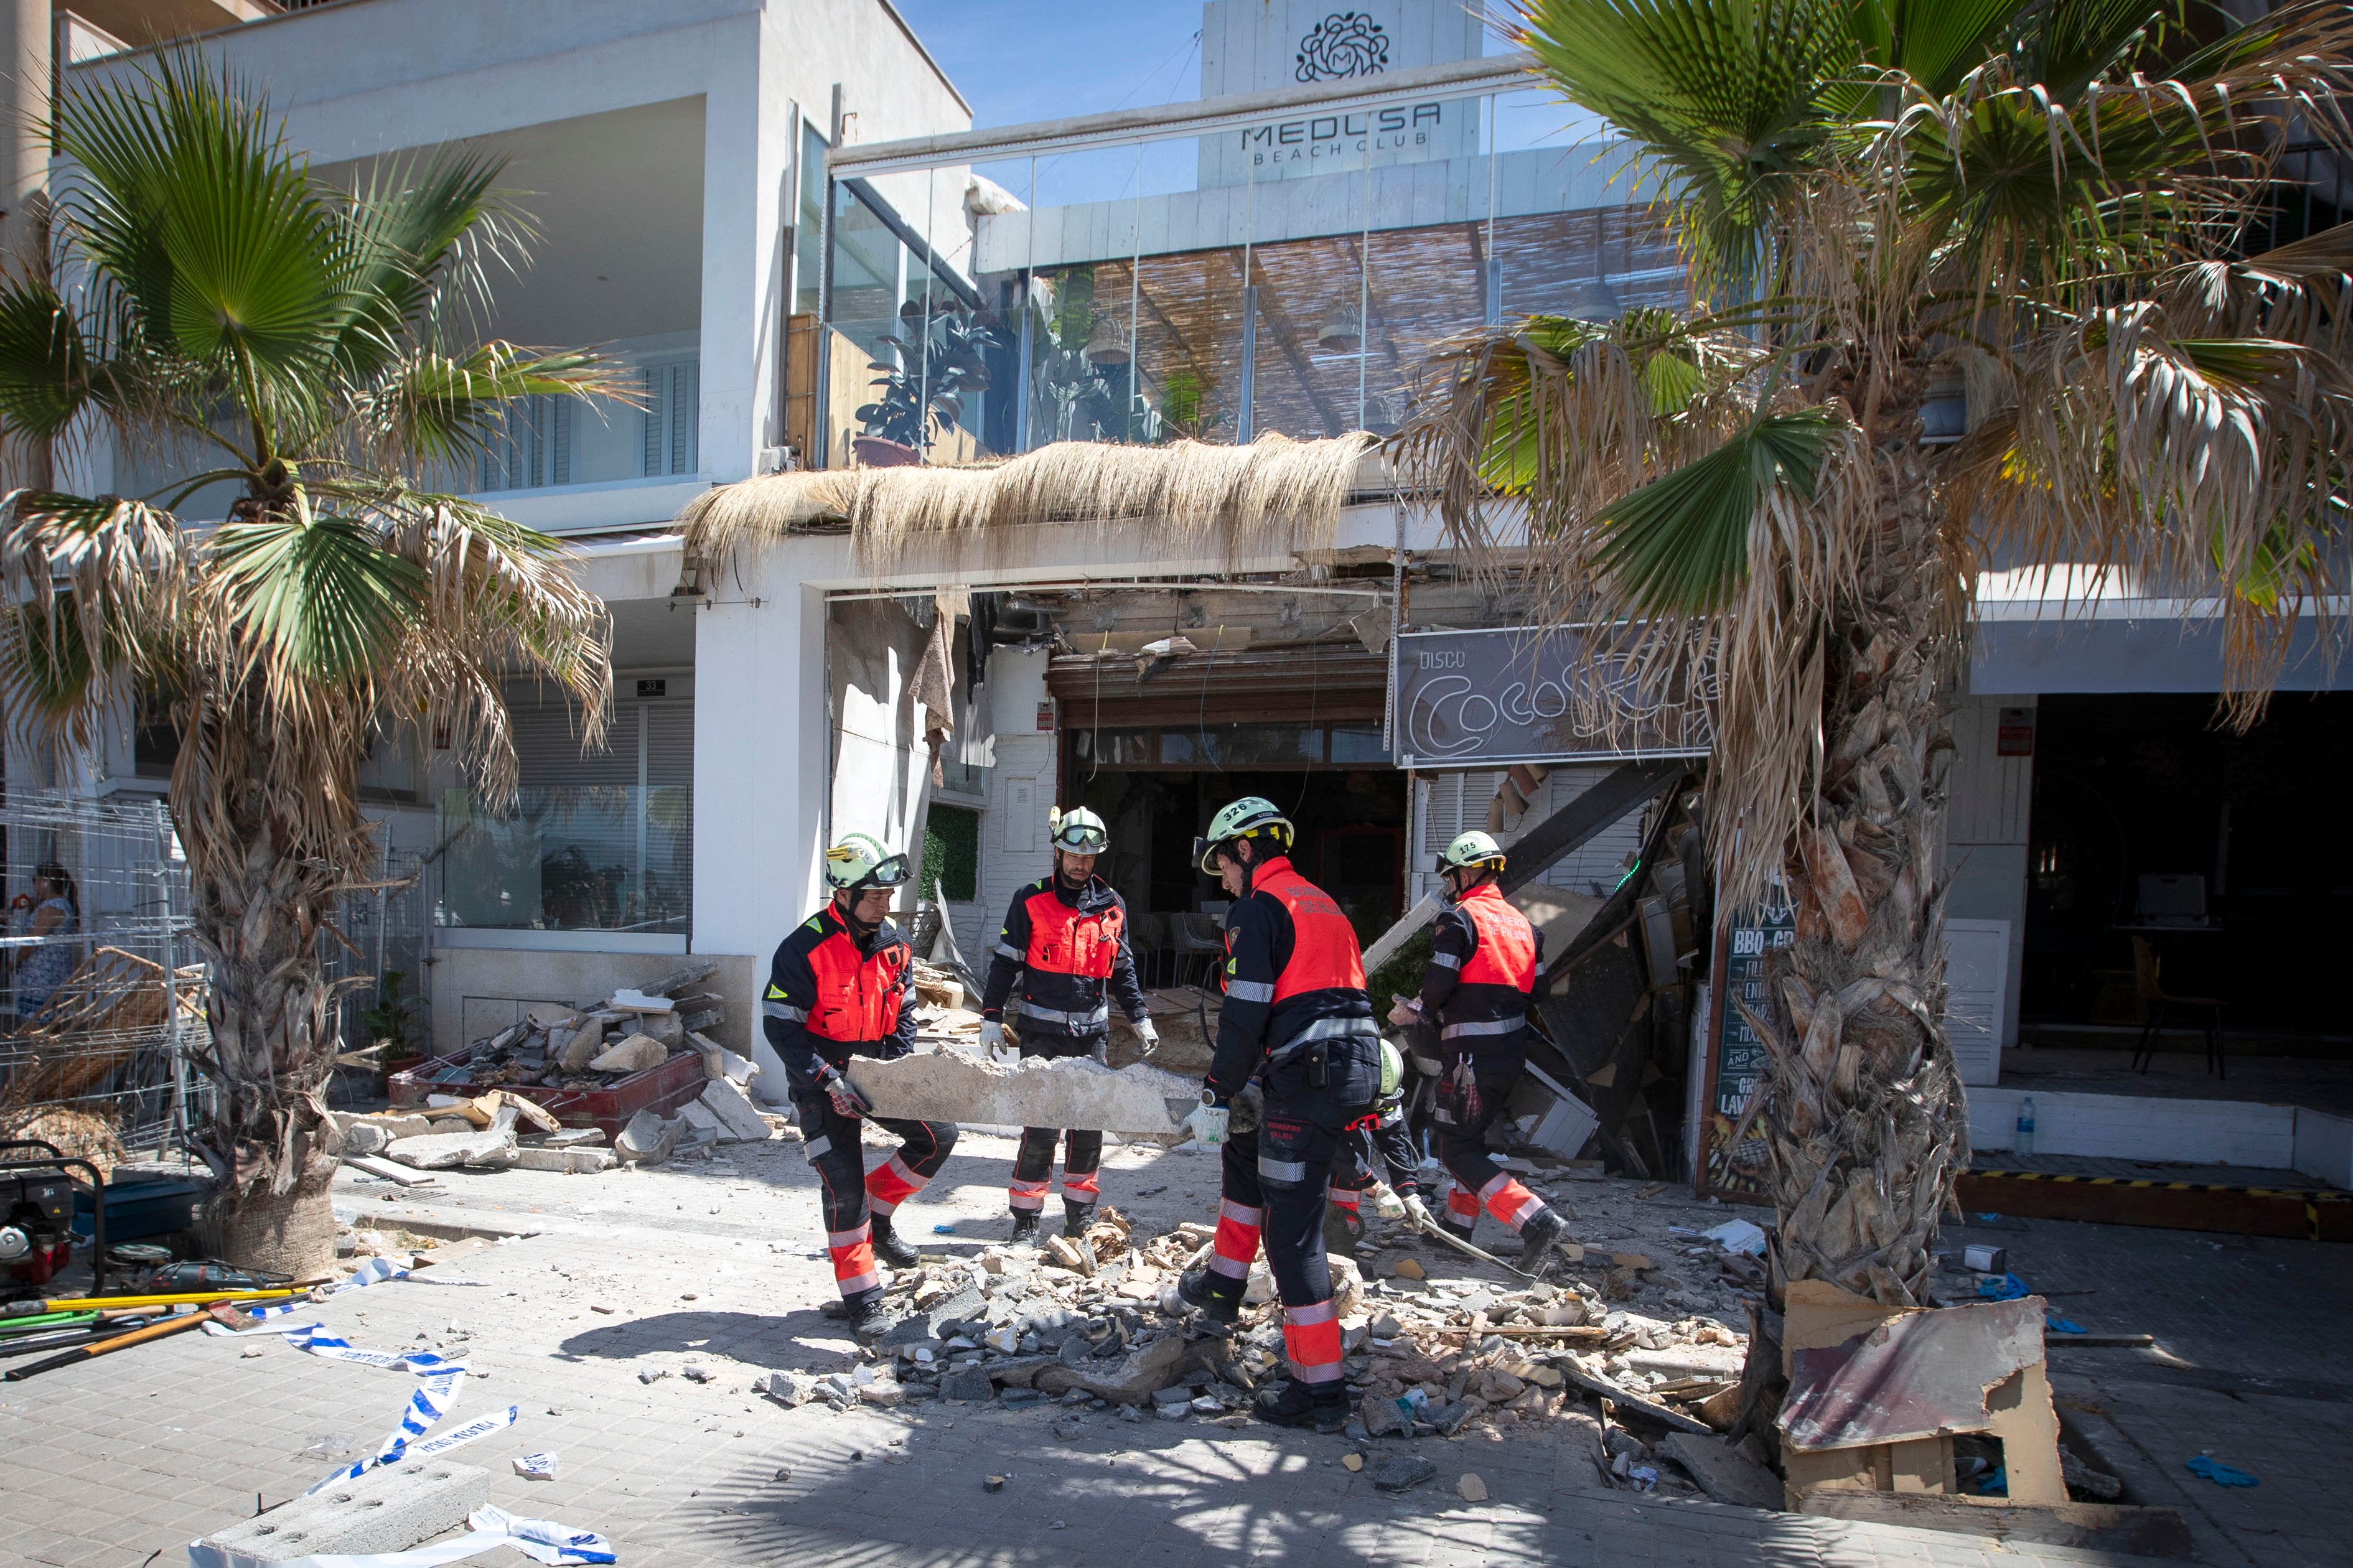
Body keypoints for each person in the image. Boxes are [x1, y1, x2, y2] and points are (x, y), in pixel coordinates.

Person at [1170, 796, 1379, 1432]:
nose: (1223, 880)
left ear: (1243, 849)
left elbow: (1245, 1014)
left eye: (1223, 866)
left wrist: (1216, 1090)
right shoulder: (1321, 904)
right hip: (1348, 1069)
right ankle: (1221, 1292)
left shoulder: (1259, 909)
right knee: (1242, 1165)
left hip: (1306, 1080)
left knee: (1291, 1239)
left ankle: (1318, 1391)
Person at [762, 832, 958, 1335]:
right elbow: (780, 1028)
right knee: (843, 1190)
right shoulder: (803, 947)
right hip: (820, 1081)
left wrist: (895, 1070)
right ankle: (862, 1299)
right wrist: (828, 1081)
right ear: (843, 895)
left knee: (938, 1135)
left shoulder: (895, 942)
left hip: (875, 1072)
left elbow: (905, 1012)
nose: (885, 905)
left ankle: (881, 1213)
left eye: (889, 896)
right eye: (875, 896)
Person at [1388, 830, 1573, 1271]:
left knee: (1453, 1147)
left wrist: (1415, 1011)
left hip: (1469, 1061)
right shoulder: (1527, 927)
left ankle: (1535, 1220)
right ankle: (1457, 1231)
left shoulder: (1458, 920)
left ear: (1469, 872)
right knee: (1468, 1139)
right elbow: (1540, 990)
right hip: (1508, 1056)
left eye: (1451, 877)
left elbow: (1437, 986)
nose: (1449, 886)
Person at [980, 805, 1158, 1244]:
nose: (1081, 865)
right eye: (1073, 856)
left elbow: (1123, 970)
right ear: (1058, 852)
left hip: (1092, 1037)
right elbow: (1005, 967)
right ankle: (1025, 1221)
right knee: (1041, 1127)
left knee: (1088, 1128)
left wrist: (1140, 1018)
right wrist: (990, 1018)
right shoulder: (1029, 899)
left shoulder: (1112, 906)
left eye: (1089, 858)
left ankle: (1080, 1218)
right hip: (1041, 1036)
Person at [1323, 1037, 1429, 1254]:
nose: (1381, 1107)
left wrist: (1408, 1192)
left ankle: (1338, 1244)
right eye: (1377, 1102)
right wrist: (1374, 1186)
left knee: (1357, 1154)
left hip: (1340, 1123)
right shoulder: (1332, 1087)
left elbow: (1396, 1138)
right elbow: (1331, 1141)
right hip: (1301, 1130)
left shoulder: (1385, 1089)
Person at [14, 863, 80, 1018]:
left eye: (35, 880)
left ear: (45, 882)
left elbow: (33, 942)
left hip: (43, 977)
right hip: (53, 973)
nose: (33, 884)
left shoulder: (51, 908)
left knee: (37, 1024)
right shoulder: (59, 905)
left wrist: (16, 961)